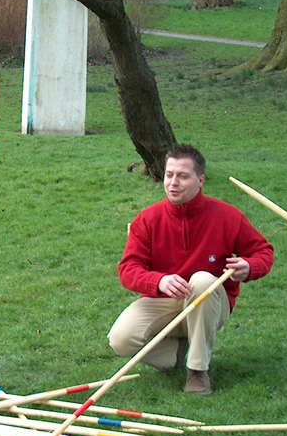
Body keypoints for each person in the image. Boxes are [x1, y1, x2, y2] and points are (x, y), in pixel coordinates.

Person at [109, 144, 274, 395]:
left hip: (210, 301)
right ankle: (178, 353)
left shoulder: (227, 216)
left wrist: (249, 266)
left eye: (183, 176)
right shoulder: (148, 219)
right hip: (163, 300)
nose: (173, 182)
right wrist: (159, 281)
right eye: (169, 174)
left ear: (201, 180)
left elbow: (264, 252)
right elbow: (128, 269)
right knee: (120, 339)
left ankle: (197, 372)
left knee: (202, 281)